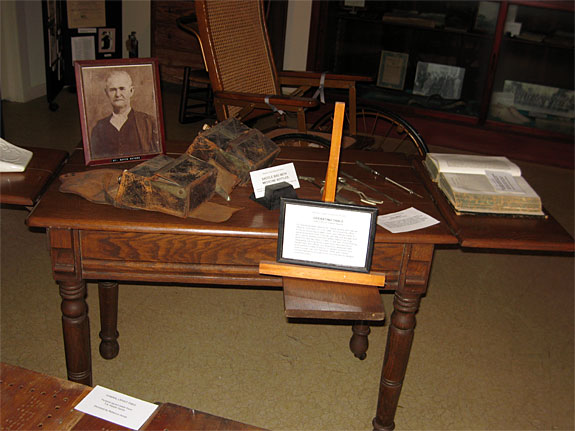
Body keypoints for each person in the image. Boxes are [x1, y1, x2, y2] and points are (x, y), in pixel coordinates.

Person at [90, 70, 158, 159]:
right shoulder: (99, 127)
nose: (118, 94)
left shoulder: (148, 122)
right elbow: (96, 157)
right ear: (106, 93)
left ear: (131, 91)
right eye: (112, 90)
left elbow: (156, 157)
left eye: (122, 88)